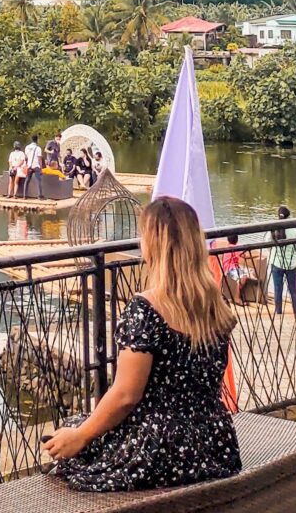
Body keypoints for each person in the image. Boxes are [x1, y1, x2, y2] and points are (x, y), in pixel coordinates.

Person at [43, 196, 242, 491]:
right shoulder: (215, 305)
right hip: (213, 441)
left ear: (153, 245)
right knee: (82, 428)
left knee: (73, 439)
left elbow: (126, 396)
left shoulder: (146, 310)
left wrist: (82, 435)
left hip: (160, 447)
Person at [268, 206, 296, 317]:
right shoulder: (294, 231)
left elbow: (266, 243)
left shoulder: (273, 229)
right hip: (291, 264)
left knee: (278, 289)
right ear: (289, 216)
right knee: (293, 289)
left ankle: (278, 313)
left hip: (277, 262)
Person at [23, 134, 43, 199]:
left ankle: (24, 195)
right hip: (36, 166)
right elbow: (39, 158)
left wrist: (27, 165)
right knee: (38, 181)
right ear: (37, 140)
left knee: (27, 180)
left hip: (29, 166)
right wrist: (41, 167)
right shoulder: (38, 148)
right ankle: (39, 196)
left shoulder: (27, 147)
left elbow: (26, 157)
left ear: (31, 139)